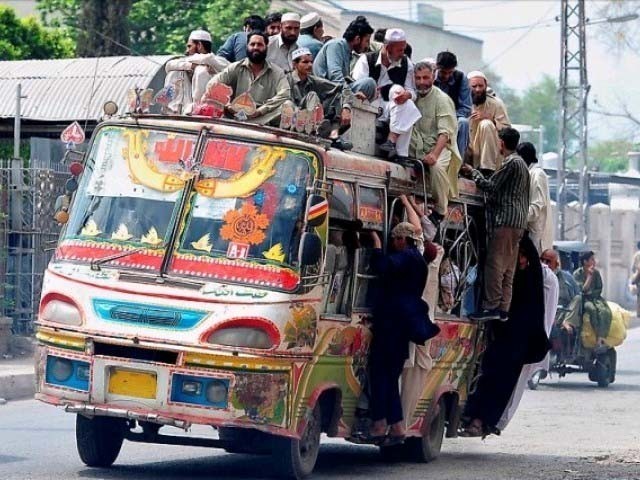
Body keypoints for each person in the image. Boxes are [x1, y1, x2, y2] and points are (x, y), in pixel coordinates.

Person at [461, 235, 550, 437]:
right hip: (502, 335)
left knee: (500, 382)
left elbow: (533, 311)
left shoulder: (531, 278)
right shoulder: (510, 274)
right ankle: (471, 416)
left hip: (518, 340)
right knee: (486, 375)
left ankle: (482, 420)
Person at [365, 222, 439, 445]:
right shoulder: (419, 260)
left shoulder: (407, 257)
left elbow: (380, 266)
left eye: (395, 239)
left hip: (392, 324)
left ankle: (380, 424)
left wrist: (376, 244)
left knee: (380, 374)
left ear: (402, 240)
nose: (393, 243)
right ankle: (396, 426)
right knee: (389, 376)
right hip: (402, 325)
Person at [460, 127, 529, 321]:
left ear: (501, 143)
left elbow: (491, 186)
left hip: (505, 221)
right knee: (508, 268)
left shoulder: (511, 163)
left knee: (495, 265)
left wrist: (473, 172)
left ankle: (491, 307)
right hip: (517, 223)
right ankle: (503, 309)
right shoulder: (522, 164)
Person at [496, 249, 558, 431]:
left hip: (533, 342)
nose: (545, 263)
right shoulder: (542, 278)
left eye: (549, 261)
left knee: (516, 384)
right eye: (543, 259)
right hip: (526, 339)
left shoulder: (547, 277)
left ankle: (500, 421)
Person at [352, 28, 420, 161]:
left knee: (406, 100)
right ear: (388, 47)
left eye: (403, 49)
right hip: (367, 105)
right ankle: (395, 144)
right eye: (399, 50)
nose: (402, 53)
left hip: (391, 107)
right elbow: (357, 87)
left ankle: (396, 147)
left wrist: (408, 95)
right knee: (398, 92)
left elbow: (412, 92)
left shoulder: (407, 64)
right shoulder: (366, 60)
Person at [410, 61, 461, 222]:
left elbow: (445, 133)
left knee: (437, 166)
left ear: (433, 77)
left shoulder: (441, 99)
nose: (422, 82)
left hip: (440, 146)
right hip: (417, 145)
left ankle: (440, 210)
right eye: (418, 78)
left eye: (426, 77)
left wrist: (434, 154)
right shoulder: (413, 95)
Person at [205, 31, 291, 125]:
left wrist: (260, 111)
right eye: (252, 44)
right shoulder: (235, 67)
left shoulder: (276, 72)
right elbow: (212, 85)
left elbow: (285, 93)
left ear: (266, 47)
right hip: (234, 116)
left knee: (288, 106)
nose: (255, 48)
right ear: (247, 47)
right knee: (210, 100)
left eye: (260, 45)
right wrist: (228, 105)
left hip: (262, 118)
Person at [163, 30, 229, 114]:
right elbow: (168, 65)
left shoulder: (219, 61)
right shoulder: (189, 61)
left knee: (201, 71)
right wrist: (191, 66)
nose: (187, 50)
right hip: (186, 109)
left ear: (199, 45)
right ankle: (172, 111)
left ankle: (198, 109)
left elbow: (207, 58)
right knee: (174, 72)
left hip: (213, 110)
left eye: (189, 46)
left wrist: (200, 65)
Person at [312, 15, 377, 101]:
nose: (367, 46)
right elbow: (335, 76)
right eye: (367, 41)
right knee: (369, 83)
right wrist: (350, 94)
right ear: (357, 39)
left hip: (334, 91)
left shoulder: (347, 51)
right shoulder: (336, 45)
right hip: (325, 93)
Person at [286, 47, 344, 132]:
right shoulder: (286, 79)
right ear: (295, 64)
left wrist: (346, 108)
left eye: (311, 62)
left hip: (308, 120)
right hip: (292, 118)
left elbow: (340, 88)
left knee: (314, 96)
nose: (310, 65)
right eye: (305, 62)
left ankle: (327, 128)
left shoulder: (314, 81)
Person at [466, 71, 511, 173]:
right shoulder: (461, 104)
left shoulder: (496, 104)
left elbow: (509, 133)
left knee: (486, 124)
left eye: (480, 86)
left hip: (489, 155)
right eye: (474, 86)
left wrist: (491, 120)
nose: (478, 90)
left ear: (486, 86)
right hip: (468, 152)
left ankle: (487, 170)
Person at [434, 51, 472, 156]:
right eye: (443, 72)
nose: (446, 76)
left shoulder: (460, 78)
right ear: (437, 67)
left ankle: (458, 161)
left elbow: (466, 107)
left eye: (450, 73)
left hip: (454, 117)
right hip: (432, 116)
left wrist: (449, 117)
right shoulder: (430, 76)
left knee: (463, 123)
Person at [518, 142, 553, 253]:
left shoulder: (538, 174)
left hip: (536, 235)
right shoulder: (529, 173)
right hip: (530, 232)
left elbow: (537, 207)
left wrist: (517, 218)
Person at [573, 251, 612, 343]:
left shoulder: (597, 273)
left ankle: (602, 336)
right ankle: (597, 333)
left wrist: (593, 294)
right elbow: (582, 290)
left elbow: (599, 288)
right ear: (585, 262)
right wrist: (589, 276)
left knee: (605, 311)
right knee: (592, 309)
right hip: (583, 300)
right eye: (592, 259)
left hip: (596, 298)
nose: (594, 262)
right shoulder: (577, 274)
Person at [631, 241, 640, 317]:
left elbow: (633, 268)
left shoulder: (636, 255)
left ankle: (638, 312)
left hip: (638, 276)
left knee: (638, 295)